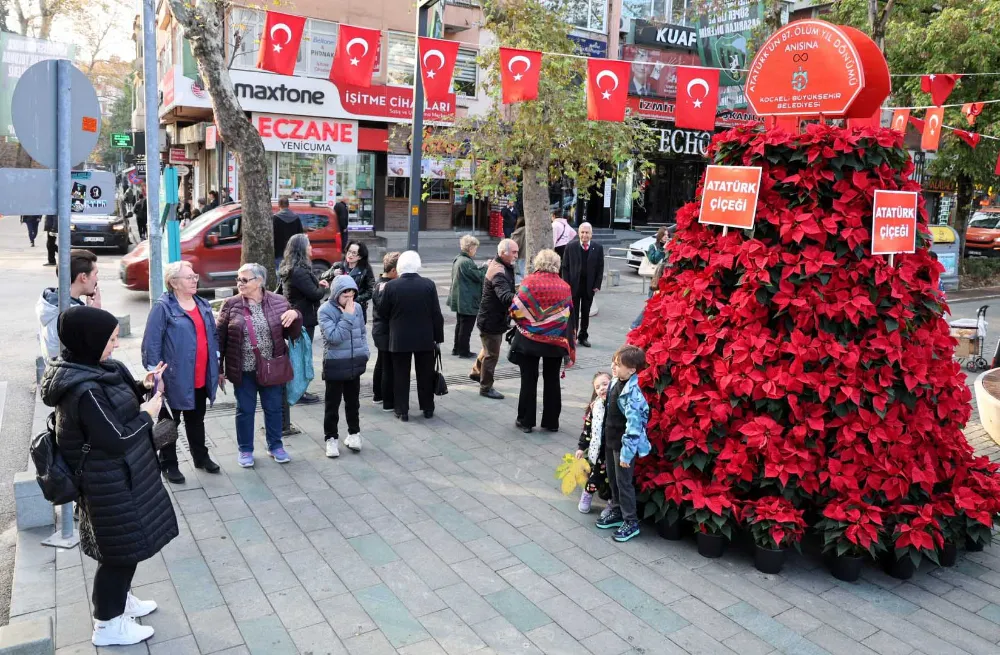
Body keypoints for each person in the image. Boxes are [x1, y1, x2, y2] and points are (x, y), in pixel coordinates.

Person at [40, 306, 176, 647]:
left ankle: (118, 601)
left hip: (122, 478)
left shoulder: (99, 368)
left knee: (123, 547)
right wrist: (148, 415)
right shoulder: (83, 391)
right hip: (110, 483)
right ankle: (108, 624)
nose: (115, 345)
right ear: (90, 341)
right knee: (120, 552)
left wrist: (142, 384)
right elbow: (115, 439)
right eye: (111, 339)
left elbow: (117, 398)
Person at [142, 260, 222, 483]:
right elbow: (151, 344)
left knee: (197, 419)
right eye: (189, 277)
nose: (195, 280)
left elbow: (213, 338)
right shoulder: (163, 307)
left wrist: (218, 367)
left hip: (200, 376)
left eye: (195, 276)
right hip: (174, 378)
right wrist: (157, 378)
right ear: (174, 283)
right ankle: (168, 464)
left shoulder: (202, 304)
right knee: (170, 423)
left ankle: (200, 457)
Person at [217, 263, 302, 467]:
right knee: (245, 409)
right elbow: (219, 339)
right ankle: (245, 450)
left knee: (273, 408)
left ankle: (275, 446)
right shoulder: (230, 304)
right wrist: (218, 369)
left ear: (260, 281)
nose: (240, 283)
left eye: (244, 280)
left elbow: (293, 334)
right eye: (238, 279)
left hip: (272, 368)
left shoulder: (279, 302)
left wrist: (296, 316)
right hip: (243, 369)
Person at [508, 249, 576, 433]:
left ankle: (526, 421)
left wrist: (531, 322)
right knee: (552, 380)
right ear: (556, 265)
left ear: (538, 263)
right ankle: (551, 422)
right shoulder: (564, 286)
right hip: (555, 341)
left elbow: (515, 309)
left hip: (529, 341)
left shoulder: (529, 282)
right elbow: (567, 314)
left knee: (528, 380)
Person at [378, 251, 444, 421]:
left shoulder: (391, 286)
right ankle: (427, 408)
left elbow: (383, 312)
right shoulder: (428, 285)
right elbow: (436, 313)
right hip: (424, 338)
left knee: (400, 375)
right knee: (425, 374)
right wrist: (438, 338)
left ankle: (402, 410)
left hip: (400, 338)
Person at [595, 345, 651, 543]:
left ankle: (631, 521)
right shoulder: (615, 383)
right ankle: (618, 510)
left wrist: (627, 455)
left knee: (624, 483)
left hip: (623, 446)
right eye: (614, 362)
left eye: (618, 364)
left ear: (632, 369)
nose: (614, 367)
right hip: (611, 442)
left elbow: (634, 428)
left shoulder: (633, 394)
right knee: (613, 478)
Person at [318, 275, 370, 457]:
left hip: (354, 362)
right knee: (332, 404)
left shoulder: (358, 308)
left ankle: (354, 434)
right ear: (336, 294)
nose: (349, 300)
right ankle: (330, 438)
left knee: (353, 402)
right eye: (345, 295)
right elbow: (334, 338)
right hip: (335, 363)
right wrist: (347, 315)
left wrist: (365, 352)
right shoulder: (325, 310)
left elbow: (362, 332)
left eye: (352, 295)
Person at [279, 234, 327, 404]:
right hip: (303, 318)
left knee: (298, 355)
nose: (311, 248)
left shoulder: (289, 267)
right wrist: (322, 287)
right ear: (301, 249)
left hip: (297, 316)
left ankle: (297, 389)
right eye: (308, 245)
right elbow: (314, 294)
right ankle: (298, 391)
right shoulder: (299, 271)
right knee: (301, 356)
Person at [471, 239, 518, 400]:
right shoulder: (498, 272)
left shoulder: (500, 265)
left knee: (487, 347)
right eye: (514, 252)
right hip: (491, 320)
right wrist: (523, 297)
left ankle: (477, 372)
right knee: (492, 354)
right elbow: (505, 296)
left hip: (490, 317)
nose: (516, 255)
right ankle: (486, 387)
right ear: (503, 252)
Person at [37, 249, 101, 361]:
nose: (97, 279)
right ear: (83, 277)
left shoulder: (50, 303)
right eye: (95, 274)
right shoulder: (73, 316)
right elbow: (99, 355)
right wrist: (96, 316)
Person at [560, 222, 604, 348]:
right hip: (574, 286)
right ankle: (572, 336)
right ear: (579, 233)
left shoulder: (598, 247)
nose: (584, 235)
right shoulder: (571, 246)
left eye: (587, 232)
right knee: (573, 313)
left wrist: (597, 284)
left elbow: (600, 268)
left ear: (591, 234)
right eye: (582, 232)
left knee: (586, 312)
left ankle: (583, 336)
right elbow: (565, 267)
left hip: (589, 286)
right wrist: (566, 284)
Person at [574, 372, 613, 513]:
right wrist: (581, 447)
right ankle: (587, 495)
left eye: (605, 384)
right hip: (598, 453)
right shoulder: (595, 407)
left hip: (613, 452)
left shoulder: (617, 405)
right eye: (598, 387)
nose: (601, 388)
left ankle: (611, 505)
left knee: (612, 482)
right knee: (594, 478)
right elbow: (587, 429)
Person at [447, 235, 485, 359]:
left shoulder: (458, 259)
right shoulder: (467, 262)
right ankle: (464, 351)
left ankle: (456, 348)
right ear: (470, 248)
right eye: (475, 248)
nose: (476, 251)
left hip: (460, 298)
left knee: (460, 325)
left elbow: (471, 273)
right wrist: (486, 267)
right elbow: (479, 276)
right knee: (466, 328)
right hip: (467, 300)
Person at [371, 252, 399, 410]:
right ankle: (387, 401)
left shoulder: (381, 282)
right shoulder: (385, 286)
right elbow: (384, 310)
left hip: (380, 329)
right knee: (387, 365)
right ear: (394, 270)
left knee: (381, 362)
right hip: (384, 330)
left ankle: (378, 395)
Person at [333, 241, 375, 321]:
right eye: (349, 251)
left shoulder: (365, 269)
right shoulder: (339, 265)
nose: (350, 255)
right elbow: (323, 278)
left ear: (360, 257)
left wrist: (355, 299)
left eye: (354, 253)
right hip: (338, 306)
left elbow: (371, 291)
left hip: (357, 307)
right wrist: (332, 273)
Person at [273, 197, 304, 269]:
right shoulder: (296, 218)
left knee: (279, 272)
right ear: (288, 205)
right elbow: (301, 235)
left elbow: (272, 236)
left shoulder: (275, 218)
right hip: (294, 252)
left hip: (279, 251)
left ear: (279, 205)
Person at [511, 217, 527, 282]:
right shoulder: (530, 230)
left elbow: (514, 245)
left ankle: (520, 290)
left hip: (521, 256)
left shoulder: (519, 231)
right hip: (528, 255)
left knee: (519, 274)